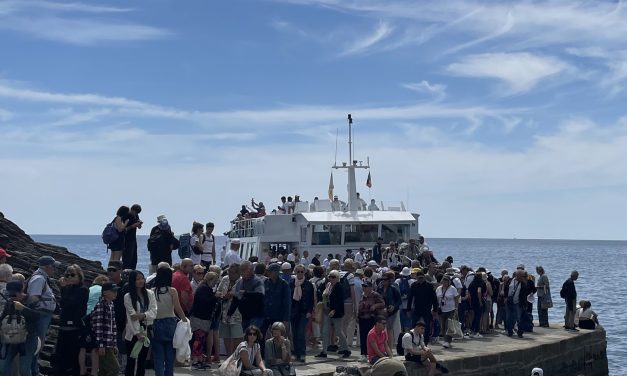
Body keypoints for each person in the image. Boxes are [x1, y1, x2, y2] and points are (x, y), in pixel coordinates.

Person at [25, 255, 60, 376]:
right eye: (53, 266)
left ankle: (34, 370)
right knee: (36, 344)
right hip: (40, 315)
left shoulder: (42, 278)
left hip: (43, 315)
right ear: (47, 266)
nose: (55, 269)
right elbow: (33, 298)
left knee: (38, 344)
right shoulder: (39, 279)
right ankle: (32, 371)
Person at [152, 267, 189, 376]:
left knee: (158, 355)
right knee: (169, 355)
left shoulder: (152, 291)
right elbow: (177, 308)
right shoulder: (172, 291)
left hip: (156, 323)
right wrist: (184, 320)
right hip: (170, 323)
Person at [54, 264, 89, 376]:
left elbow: (69, 303)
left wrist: (63, 289)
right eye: (67, 275)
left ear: (79, 276)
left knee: (73, 355)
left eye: (72, 275)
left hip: (75, 327)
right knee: (60, 354)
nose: (69, 277)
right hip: (64, 325)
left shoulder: (83, 289)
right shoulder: (68, 288)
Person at [0, 280, 41, 376]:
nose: (11, 297)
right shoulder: (9, 302)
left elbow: (38, 317)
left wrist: (23, 309)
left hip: (28, 339)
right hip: (10, 339)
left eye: (13, 294)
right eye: (9, 295)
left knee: (24, 370)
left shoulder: (32, 300)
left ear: (20, 291)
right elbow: (3, 318)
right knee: (3, 367)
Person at [123, 270, 157, 376]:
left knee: (142, 361)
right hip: (133, 331)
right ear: (132, 281)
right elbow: (131, 316)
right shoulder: (128, 296)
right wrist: (137, 333)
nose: (141, 281)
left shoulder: (150, 293)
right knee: (131, 359)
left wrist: (142, 315)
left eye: (142, 278)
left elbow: (154, 312)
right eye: (137, 279)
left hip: (146, 328)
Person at [316, 270, 350, 358]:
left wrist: (334, 310)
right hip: (327, 311)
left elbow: (340, 301)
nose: (331, 278)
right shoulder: (328, 285)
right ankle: (324, 351)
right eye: (330, 276)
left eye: (334, 277)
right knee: (325, 331)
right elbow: (323, 295)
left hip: (336, 312)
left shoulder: (339, 287)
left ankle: (346, 349)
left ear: (338, 278)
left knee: (339, 331)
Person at [190, 271, 220, 369]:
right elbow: (205, 302)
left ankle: (198, 358)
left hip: (201, 318)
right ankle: (195, 360)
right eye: (215, 281)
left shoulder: (203, 288)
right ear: (210, 280)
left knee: (200, 340)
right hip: (200, 319)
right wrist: (215, 297)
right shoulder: (204, 289)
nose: (215, 283)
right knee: (199, 340)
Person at [91, 282, 120, 376]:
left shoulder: (111, 305)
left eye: (116, 291)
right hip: (104, 344)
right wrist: (101, 345)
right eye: (113, 291)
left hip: (109, 343)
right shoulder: (101, 305)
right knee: (115, 368)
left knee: (104, 370)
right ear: (105, 293)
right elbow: (98, 326)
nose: (115, 293)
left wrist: (114, 343)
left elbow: (113, 326)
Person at [289, 264, 314, 362]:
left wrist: (309, 311)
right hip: (293, 312)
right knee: (294, 334)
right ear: (295, 272)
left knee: (301, 333)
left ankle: (302, 353)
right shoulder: (291, 284)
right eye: (298, 271)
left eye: (301, 271)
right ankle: (296, 352)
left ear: (304, 272)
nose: (300, 273)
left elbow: (311, 299)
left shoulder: (308, 284)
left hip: (304, 312)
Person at [217, 263, 244, 355]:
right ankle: (229, 357)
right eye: (229, 272)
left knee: (238, 337)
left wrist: (232, 294)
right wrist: (223, 296)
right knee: (226, 336)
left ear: (238, 273)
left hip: (237, 315)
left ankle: (236, 357)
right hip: (224, 313)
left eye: (232, 272)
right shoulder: (225, 279)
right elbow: (218, 292)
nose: (230, 274)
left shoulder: (242, 282)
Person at [406, 270, 438, 344]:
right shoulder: (413, 285)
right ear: (416, 278)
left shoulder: (429, 286)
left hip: (427, 309)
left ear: (424, 277)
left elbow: (434, 299)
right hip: (417, 309)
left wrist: (435, 310)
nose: (420, 279)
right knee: (414, 326)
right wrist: (408, 310)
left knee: (426, 327)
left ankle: (425, 343)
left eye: (422, 278)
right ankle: (413, 342)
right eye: (419, 278)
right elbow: (410, 298)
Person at [262, 263, 292, 342]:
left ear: (275, 272)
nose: (267, 273)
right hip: (266, 314)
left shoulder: (284, 284)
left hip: (278, 315)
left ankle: (278, 353)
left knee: (278, 337)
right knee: (261, 335)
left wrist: (286, 319)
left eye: (269, 272)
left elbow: (287, 303)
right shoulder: (265, 282)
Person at [357, 282, 385, 363]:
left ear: (370, 287)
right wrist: (358, 316)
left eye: (366, 287)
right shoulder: (363, 295)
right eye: (363, 287)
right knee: (363, 336)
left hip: (371, 318)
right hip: (362, 317)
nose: (364, 288)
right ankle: (363, 354)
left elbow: (382, 303)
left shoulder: (375, 295)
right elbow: (360, 305)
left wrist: (375, 306)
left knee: (370, 336)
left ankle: (371, 354)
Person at [377, 271, 401, 349]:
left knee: (389, 328)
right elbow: (377, 299)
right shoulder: (379, 288)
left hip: (391, 311)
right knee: (382, 328)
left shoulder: (393, 288)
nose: (384, 281)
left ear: (389, 280)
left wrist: (393, 307)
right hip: (382, 311)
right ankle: (383, 347)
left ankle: (389, 348)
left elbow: (399, 300)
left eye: (385, 280)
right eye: (383, 280)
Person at [436, 275, 459, 348]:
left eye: (446, 281)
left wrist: (456, 308)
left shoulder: (452, 289)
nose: (445, 282)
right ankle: (445, 339)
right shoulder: (439, 288)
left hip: (451, 309)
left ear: (449, 282)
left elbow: (456, 298)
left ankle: (448, 341)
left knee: (448, 326)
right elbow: (437, 298)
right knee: (442, 326)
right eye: (444, 281)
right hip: (441, 309)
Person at [506, 270, 529, 338]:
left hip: (518, 303)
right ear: (517, 275)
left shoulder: (523, 283)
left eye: (523, 276)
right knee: (509, 318)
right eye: (522, 276)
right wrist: (505, 297)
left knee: (519, 318)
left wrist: (524, 281)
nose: (523, 277)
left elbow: (526, 293)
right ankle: (510, 331)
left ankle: (520, 332)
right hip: (509, 302)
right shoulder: (510, 280)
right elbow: (506, 288)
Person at [123, 204, 143, 270]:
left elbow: (139, 226)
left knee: (134, 258)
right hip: (126, 239)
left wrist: (139, 224)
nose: (136, 213)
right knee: (127, 257)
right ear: (132, 209)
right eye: (135, 212)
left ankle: (132, 271)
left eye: (137, 213)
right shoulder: (126, 216)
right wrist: (132, 226)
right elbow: (123, 229)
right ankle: (126, 271)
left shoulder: (136, 215)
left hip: (133, 238)